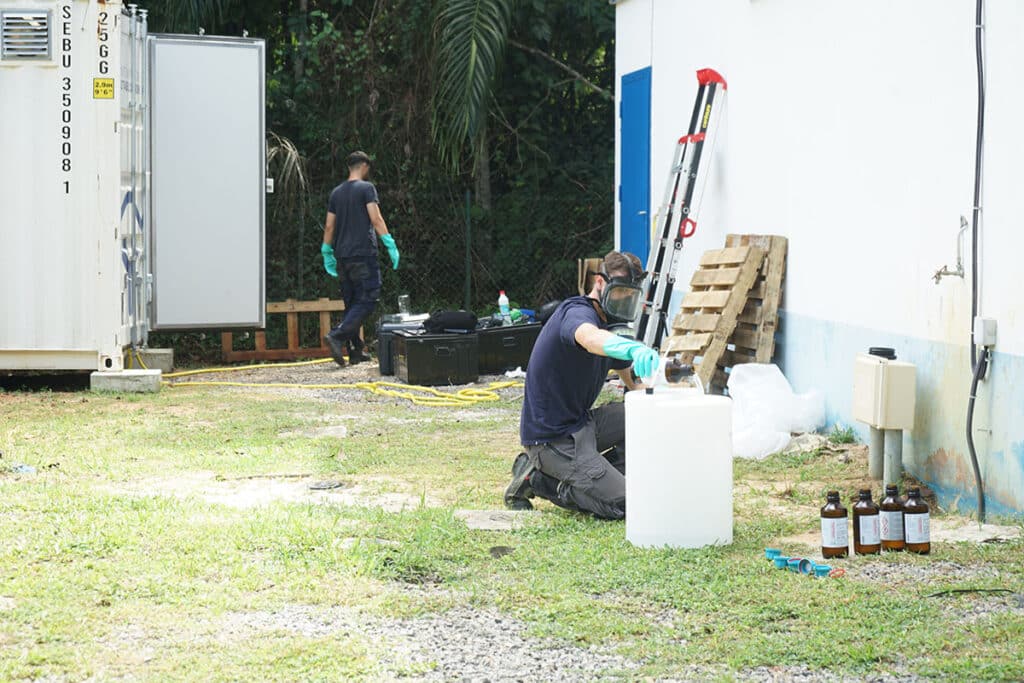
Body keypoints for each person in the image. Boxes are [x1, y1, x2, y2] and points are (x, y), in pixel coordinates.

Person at [503, 251, 660, 519]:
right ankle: (538, 479)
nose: (625, 299)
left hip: (582, 425)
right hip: (552, 439)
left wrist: (662, 398)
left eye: (631, 294)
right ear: (600, 283)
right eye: (621, 290)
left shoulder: (610, 326)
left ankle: (597, 475)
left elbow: (632, 382)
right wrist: (632, 347)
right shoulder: (577, 312)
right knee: (626, 504)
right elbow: (589, 338)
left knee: (647, 417)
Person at [321, 151, 400, 366]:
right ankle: (337, 335)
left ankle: (355, 351)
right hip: (363, 254)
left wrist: (326, 251)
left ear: (350, 167)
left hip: (343, 256)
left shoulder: (336, 193)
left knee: (352, 302)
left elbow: (329, 225)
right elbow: (376, 218)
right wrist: (390, 243)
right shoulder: (367, 188)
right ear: (364, 166)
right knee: (367, 299)